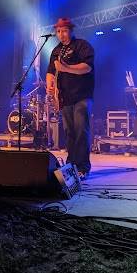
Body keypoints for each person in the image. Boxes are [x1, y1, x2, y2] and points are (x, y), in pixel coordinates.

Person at [46, 17, 94, 179]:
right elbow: (50, 72)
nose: (61, 35)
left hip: (82, 96)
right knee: (69, 132)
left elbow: (86, 68)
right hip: (65, 98)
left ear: (71, 31)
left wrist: (65, 68)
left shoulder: (82, 45)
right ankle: (71, 164)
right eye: (58, 31)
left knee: (81, 131)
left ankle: (83, 167)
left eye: (64, 31)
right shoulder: (56, 50)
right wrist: (50, 85)